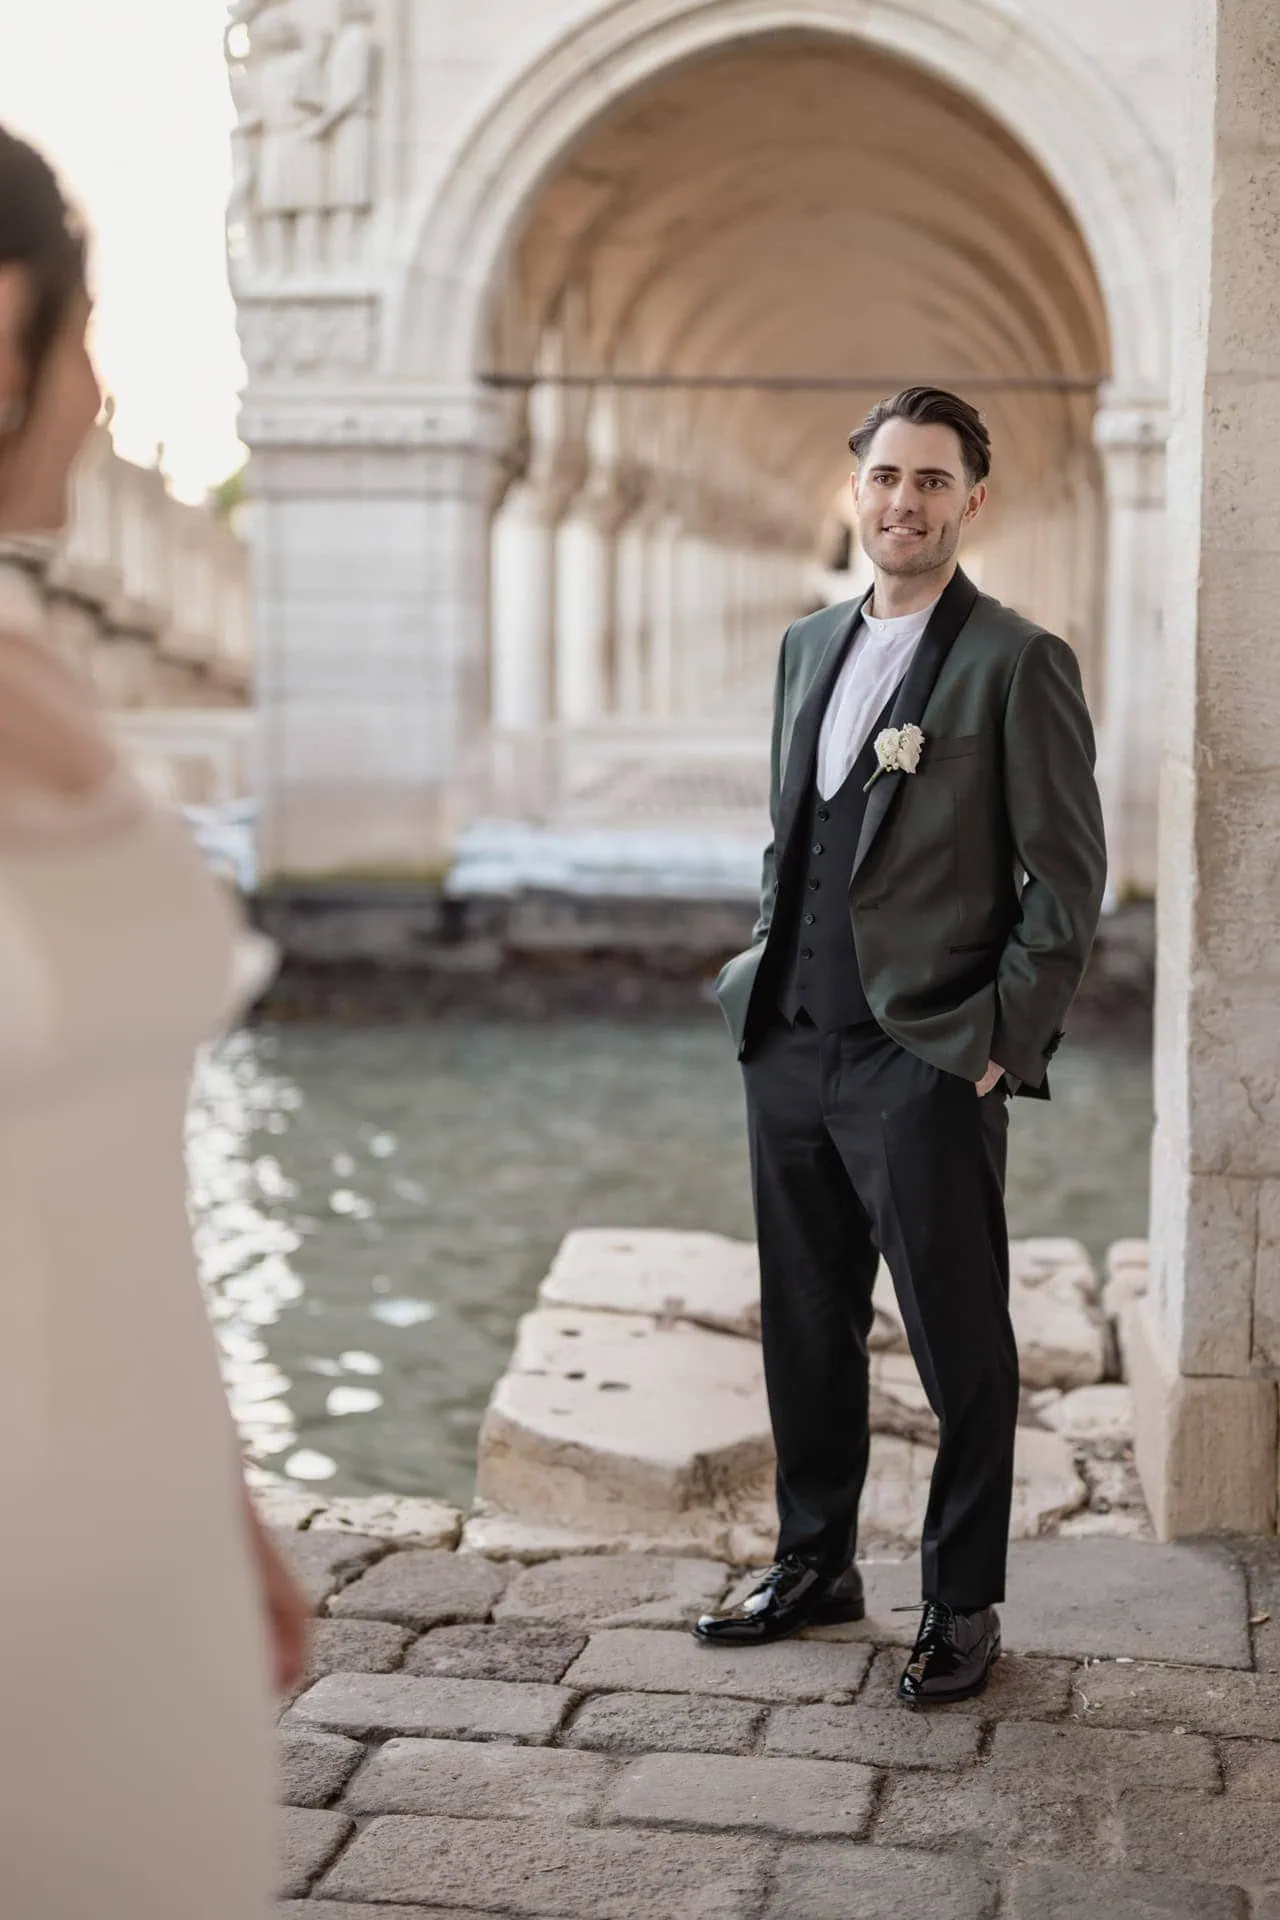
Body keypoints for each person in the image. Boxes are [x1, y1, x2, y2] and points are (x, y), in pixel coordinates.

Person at [0, 127, 308, 1915]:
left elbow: (119, 1183)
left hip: (139, 1534)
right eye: (90, 330)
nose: (104, 390)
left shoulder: (35, 665)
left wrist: (223, 1499)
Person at [695, 387, 1106, 1703]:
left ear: (969, 501)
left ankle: (961, 1600)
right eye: (884, 478)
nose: (903, 502)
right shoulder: (805, 647)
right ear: (855, 489)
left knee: (958, 1342)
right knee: (806, 1326)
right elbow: (792, 842)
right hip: (790, 1045)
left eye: (931, 481)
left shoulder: (1014, 659)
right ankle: (815, 1563)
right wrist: (762, 979)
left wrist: (994, 1047)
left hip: (924, 1057)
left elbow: (1066, 883)